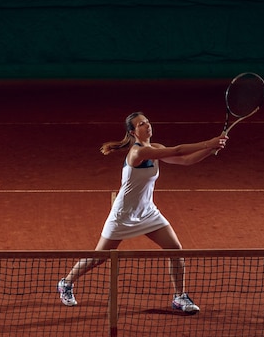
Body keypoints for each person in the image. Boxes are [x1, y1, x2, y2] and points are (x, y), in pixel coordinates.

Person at [57, 111, 228, 313]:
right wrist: (209, 142)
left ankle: (179, 297)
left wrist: (211, 149)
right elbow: (180, 149)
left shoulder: (156, 148)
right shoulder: (138, 153)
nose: (147, 126)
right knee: (99, 257)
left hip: (148, 212)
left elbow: (185, 160)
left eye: (147, 122)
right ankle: (66, 283)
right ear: (133, 132)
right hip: (123, 215)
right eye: (141, 124)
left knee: (175, 249)